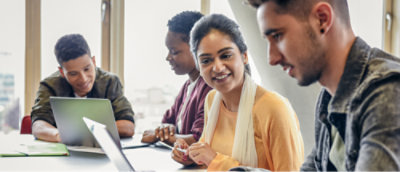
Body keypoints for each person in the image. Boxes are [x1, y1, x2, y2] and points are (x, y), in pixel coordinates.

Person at [248, 0, 400, 171]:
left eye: (277, 36)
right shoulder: (328, 98)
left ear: (322, 19)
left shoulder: (387, 93)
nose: (272, 58)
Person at [172, 14, 304, 171]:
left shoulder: (275, 109)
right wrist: (190, 156)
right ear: (199, 67)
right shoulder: (212, 100)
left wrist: (215, 160)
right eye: (206, 60)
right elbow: (206, 155)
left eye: (226, 55)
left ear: (244, 56)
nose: (218, 67)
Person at [31, 34, 135, 142]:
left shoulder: (110, 82)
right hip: (65, 153)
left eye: (87, 69)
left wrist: (82, 133)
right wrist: (60, 136)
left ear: (93, 62)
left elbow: (128, 126)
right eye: (73, 74)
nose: (83, 79)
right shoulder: (49, 86)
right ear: (62, 72)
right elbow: (38, 125)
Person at [141, 11, 212, 146]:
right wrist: (164, 130)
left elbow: (198, 140)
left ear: (197, 48)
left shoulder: (210, 88)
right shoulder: (187, 86)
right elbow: (167, 122)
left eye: (174, 51)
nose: (168, 57)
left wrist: (159, 135)